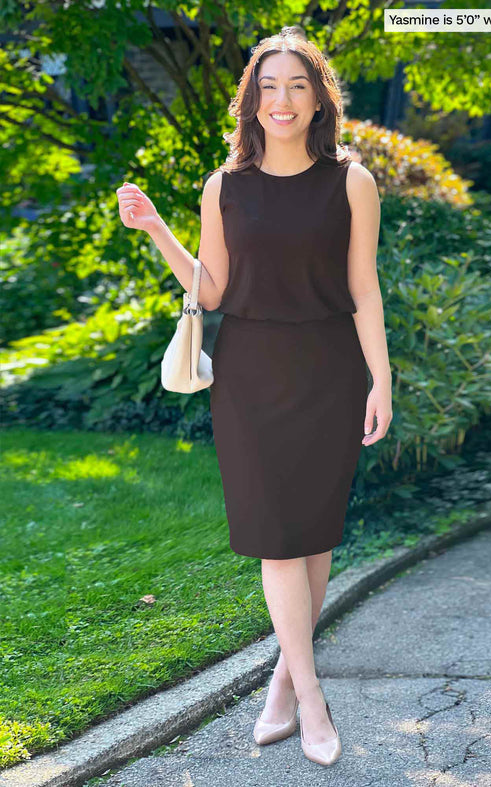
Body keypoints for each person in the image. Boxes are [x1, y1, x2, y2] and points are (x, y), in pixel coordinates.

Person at [116, 25, 392, 767]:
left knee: (314, 535)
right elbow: (211, 289)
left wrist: (381, 379)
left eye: (296, 85)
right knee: (277, 536)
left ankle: (281, 678)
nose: (281, 99)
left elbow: (364, 288)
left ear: (317, 99)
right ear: (251, 100)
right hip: (250, 375)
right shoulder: (223, 187)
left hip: (331, 370)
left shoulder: (351, 181)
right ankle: (311, 699)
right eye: (268, 86)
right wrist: (155, 232)